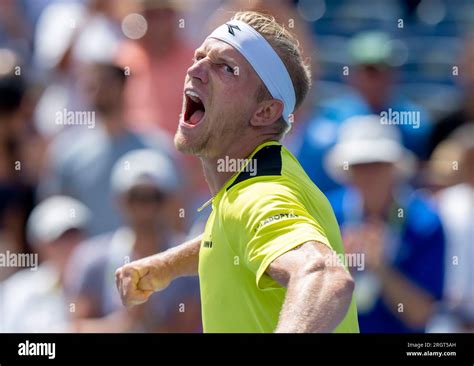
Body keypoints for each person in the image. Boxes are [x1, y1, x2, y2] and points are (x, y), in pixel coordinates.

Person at [116, 11, 359, 333]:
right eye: (199, 57)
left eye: (226, 68)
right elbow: (236, 234)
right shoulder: (258, 180)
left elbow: (323, 274)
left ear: (265, 111)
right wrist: (167, 265)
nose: (195, 70)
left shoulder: (259, 195)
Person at [324, 115, 445, 333]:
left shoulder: (425, 221)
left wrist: (379, 267)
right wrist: (342, 266)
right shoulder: (327, 213)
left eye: (378, 164)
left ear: (395, 168)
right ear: (347, 171)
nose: (369, 175)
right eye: (360, 165)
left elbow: (420, 315)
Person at [66, 149, 201, 332]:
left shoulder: (189, 255)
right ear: (120, 201)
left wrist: (141, 319)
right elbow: (77, 327)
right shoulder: (92, 258)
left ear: (168, 201)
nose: (145, 208)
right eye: (136, 197)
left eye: (153, 197)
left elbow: (186, 327)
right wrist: (128, 321)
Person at [38, 60, 173, 235]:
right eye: (92, 85)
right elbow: (55, 211)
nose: (100, 91)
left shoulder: (157, 147)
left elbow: (174, 210)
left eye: (107, 83)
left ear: (123, 86)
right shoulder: (67, 152)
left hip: (148, 258)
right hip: (87, 259)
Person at [298, 31, 432, 193]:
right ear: (352, 75)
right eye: (370, 70)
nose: (377, 79)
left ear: (395, 75)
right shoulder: (326, 122)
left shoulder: (415, 124)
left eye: (384, 70)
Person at [1, 196, 90, 332]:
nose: (68, 245)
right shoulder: (18, 290)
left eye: (73, 235)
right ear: (38, 245)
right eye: (59, 239)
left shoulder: (104, 285)